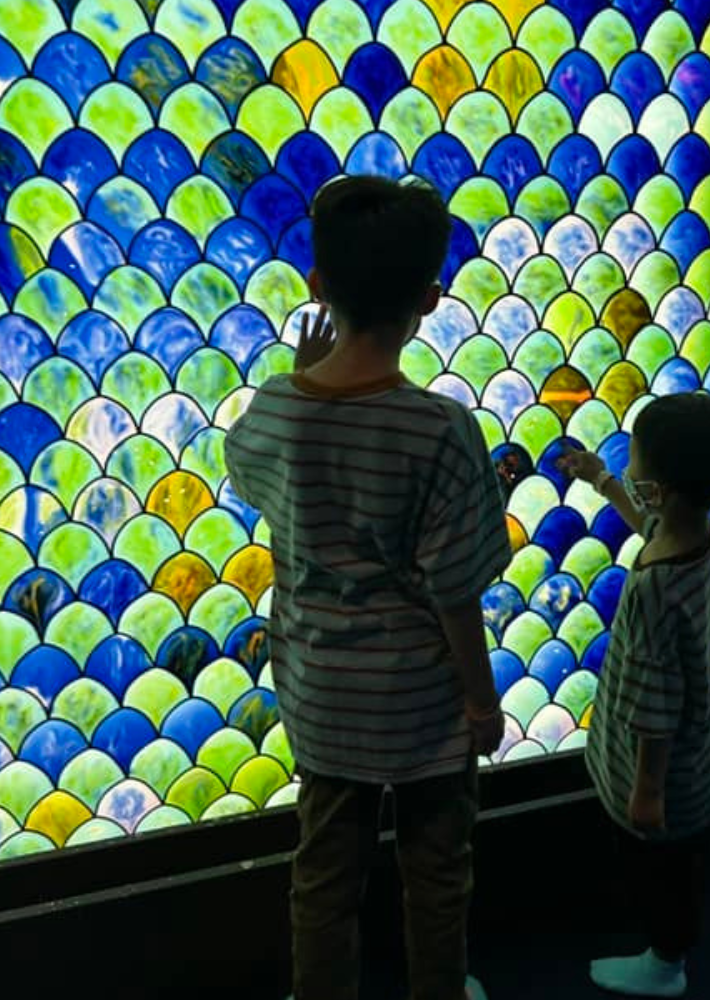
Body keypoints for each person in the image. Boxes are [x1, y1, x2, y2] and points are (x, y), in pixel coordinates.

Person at [223, 175, 512, 1000]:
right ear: (428, 299)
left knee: (323, 876)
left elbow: (250, 472)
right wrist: (481, 702)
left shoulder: (278, 407)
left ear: (318, 286)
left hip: (322, 697)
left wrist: (301, 378)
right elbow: (455, 589)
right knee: (438, 874)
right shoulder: (441, 428)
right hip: (423, 706)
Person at [560, 394, 710, 998]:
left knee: (662, 877)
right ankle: (671, 945)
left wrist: (646, 791)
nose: (629, 468)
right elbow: (648, 521)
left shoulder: (655, 589)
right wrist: (602, 480)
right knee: (686, 869)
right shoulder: (704, 540)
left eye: (634, 462)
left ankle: (665, 963)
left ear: (662, 489)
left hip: (669, 783)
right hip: (706, 757)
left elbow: (655, 703)